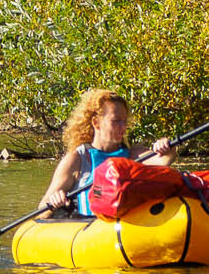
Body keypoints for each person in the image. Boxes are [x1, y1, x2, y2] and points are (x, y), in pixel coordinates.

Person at [40, 88, 172, 218]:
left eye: (124, 121)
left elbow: (164, 161)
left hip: (126, 229)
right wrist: (53, 201)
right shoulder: (77, 159)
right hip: (89, 229)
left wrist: (166, 147)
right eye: (116, 121)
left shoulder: (134, 155)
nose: (123, 127)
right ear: (96, 123)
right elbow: (42, 209)